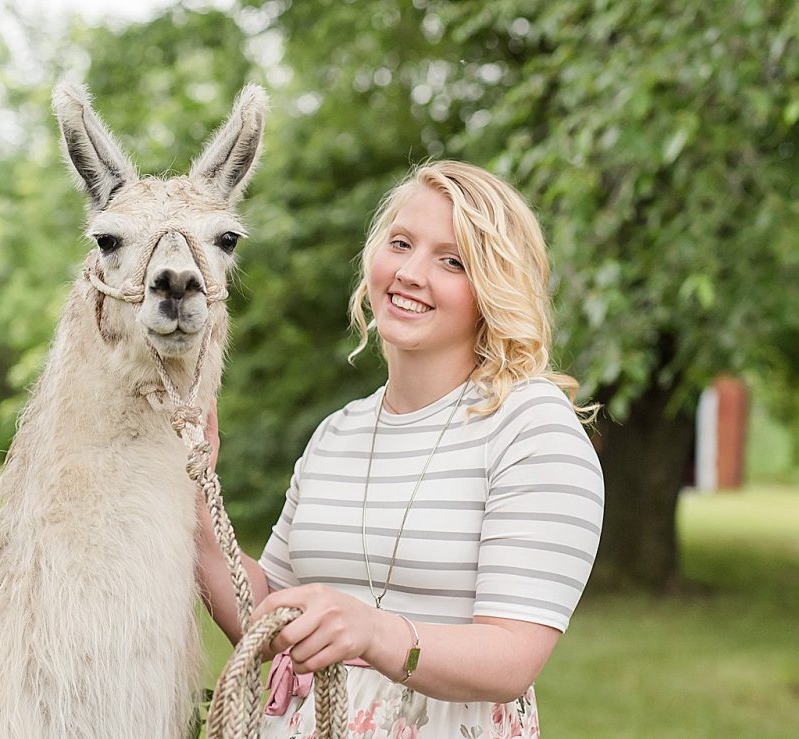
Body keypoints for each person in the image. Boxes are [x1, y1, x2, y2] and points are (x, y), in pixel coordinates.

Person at [197, 161, 604, 738]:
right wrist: (189, 493)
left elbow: (513, 657)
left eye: (452, 260)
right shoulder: (336, 433)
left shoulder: (531, 426)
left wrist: (373, 632)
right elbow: (265, 615)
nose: (411, 272)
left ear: (493, 287)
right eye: (401, 243)